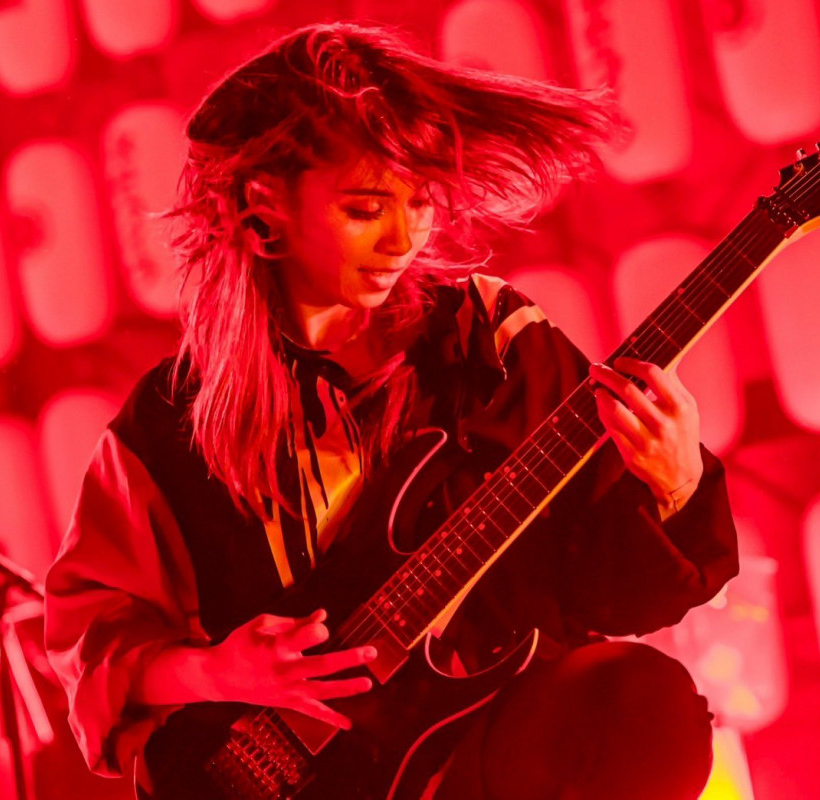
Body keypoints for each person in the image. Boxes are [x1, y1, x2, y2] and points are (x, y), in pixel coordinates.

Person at [45, 22, 738, 800]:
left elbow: (619, 598)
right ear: (265, 205)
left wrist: (675, 486)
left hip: (497, 752)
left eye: (421, 203)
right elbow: (91, 647)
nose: (404, 239)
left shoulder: (486, 342)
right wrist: (219, 671)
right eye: (366, 208)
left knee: (647, 712)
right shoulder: (167, 424)